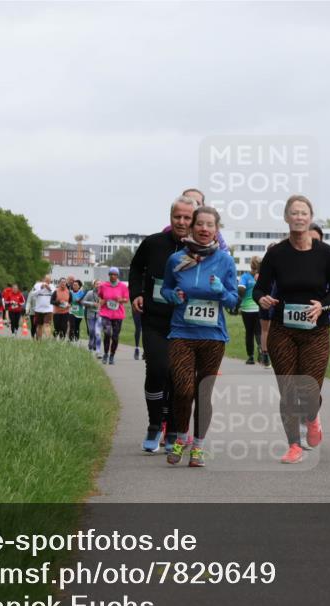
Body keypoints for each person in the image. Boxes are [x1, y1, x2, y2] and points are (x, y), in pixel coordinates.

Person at [253, 195, 330, 464]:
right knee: (288, 389)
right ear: (287, 218)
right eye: (294, 213)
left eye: (304, 213)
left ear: (310, 217)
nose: (299, 217)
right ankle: (294, 444)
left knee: (310, 390)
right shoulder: (277, 253)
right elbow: (260, 287)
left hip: (316, 330)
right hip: (283, 329)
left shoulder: (325, 253)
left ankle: (313, 417)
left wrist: (322, 306)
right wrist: (262, 298)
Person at [160, 206, 239, 466]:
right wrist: (172, 296)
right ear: (192, 227)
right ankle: (181, 437)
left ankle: (198, 446)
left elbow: (233, 301)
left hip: (213, 336)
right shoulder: (176, 260)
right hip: (182, 332)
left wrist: (220, 292)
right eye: (200, 224)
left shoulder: (225, 261)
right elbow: (167, 290)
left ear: (216, 230)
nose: (204, 229)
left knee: (203, 393)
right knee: (183, 389)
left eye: (210, 225)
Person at [129, 195, 194, 452]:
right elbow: (135, 268)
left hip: (185, 323)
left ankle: (173, 429)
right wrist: (136, 294)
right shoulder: (153, 243)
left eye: (187, 217)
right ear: (170, 217)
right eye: (177, 216)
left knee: (178, 377)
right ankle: (155, 425)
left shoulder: (200, 250)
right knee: (157, 370)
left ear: (194, 220)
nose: (181, 221)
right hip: (155, 319)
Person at [97, 267, 129, 364]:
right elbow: (100, 297)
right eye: (111, 274)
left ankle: (112, 355)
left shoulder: (123, 286)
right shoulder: (103, 286)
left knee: (115, 337)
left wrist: (121, 300)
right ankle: (105, 354)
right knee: (107, 333)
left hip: (118, 314)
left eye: (115, 274)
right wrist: (101, 301)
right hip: (106, 313)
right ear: (109, 275)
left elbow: (126, 299)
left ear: (117, 276)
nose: (113, 276)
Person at [239, 257, 262, 364]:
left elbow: (241, 289)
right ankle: (261, 351)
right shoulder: (262, 277)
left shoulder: (245, 276)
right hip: (258, 308)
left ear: (251, 265)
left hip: (246, 309)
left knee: (249, 332)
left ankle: (251, 357)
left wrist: (241, 295)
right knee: (258, 331)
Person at [28, 275, 54, 340]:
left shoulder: (52, 286)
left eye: (49, 281)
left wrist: (49, 289)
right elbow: (32, 294)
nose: (47, 282)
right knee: (39, 325)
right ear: (43, 279)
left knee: (47, 324)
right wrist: (41, 288)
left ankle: (48, 339)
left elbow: (55, 295)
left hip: (48, 309)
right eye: (46, 280)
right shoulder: (37, 285)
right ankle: (39, 340)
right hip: (38, 309)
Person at [82, 281, 101, 354]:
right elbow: (83, 302)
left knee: (97, 331)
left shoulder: (103, 293)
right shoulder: (90, 293)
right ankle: (91, 341)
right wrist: (92, 304)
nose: (98, 285)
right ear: (94, 285)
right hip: (90, 315)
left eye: (99, 284)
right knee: (92, 330)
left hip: (99, 315)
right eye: (97, 284)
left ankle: (95, 343)